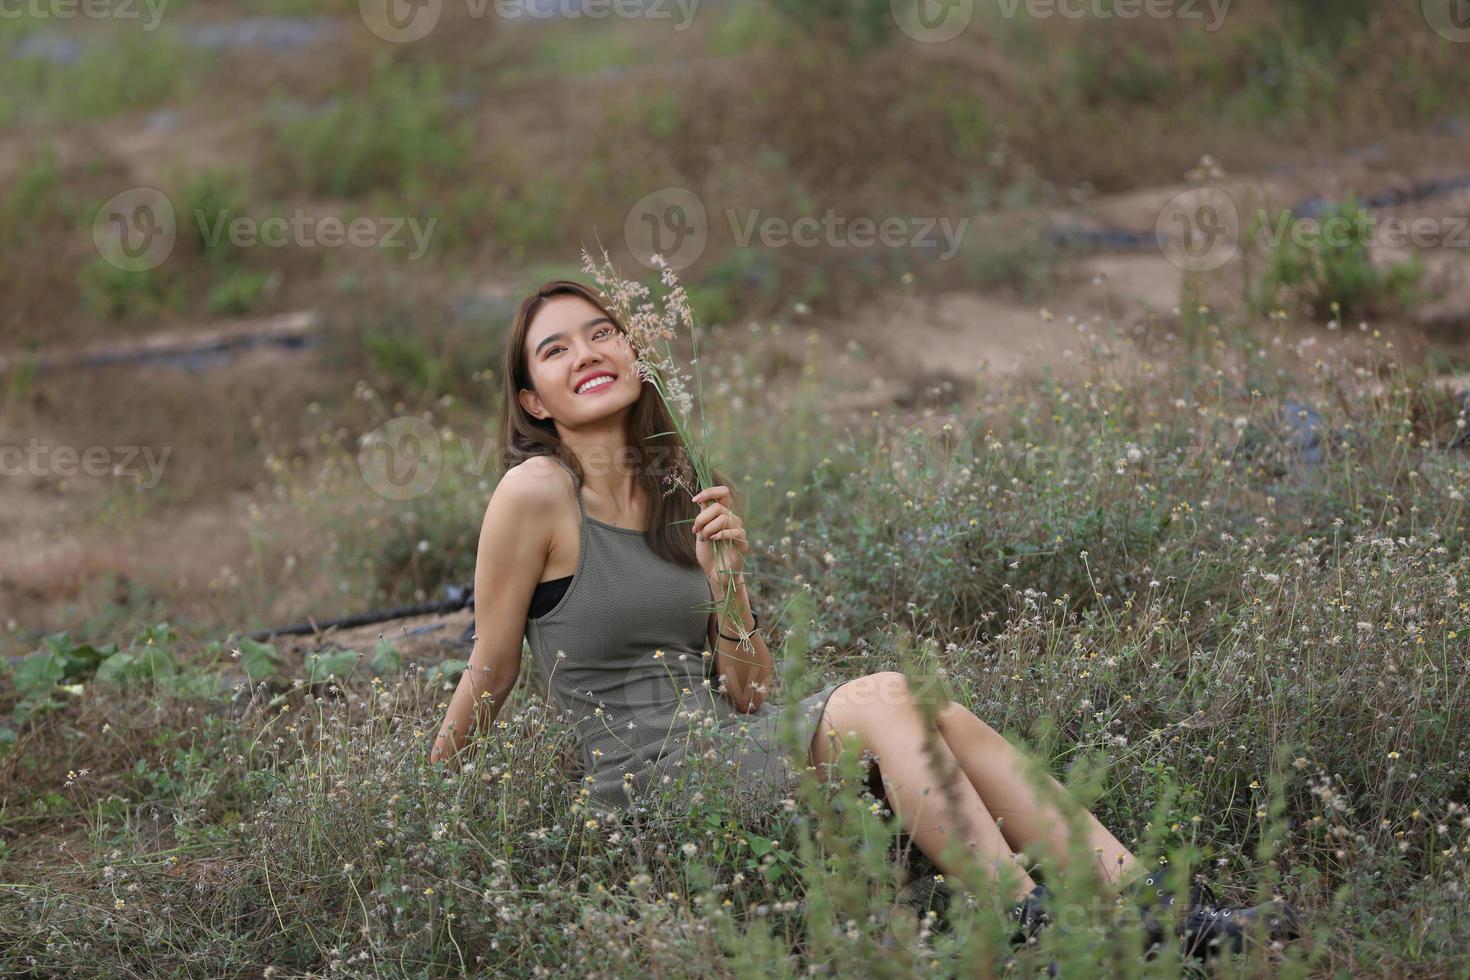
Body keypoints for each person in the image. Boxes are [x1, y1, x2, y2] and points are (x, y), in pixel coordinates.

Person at [429, 279, 1302, 958]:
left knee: (933, 706)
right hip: (652, 786)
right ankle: (1025, 921)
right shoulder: (536, 493)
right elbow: (493, 665)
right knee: (886, 694)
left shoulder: (677, 485)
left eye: (601, 332)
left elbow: (749, 692)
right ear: (534, 398)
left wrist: (727, 581)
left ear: (634, 352)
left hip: (730, 747)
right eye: (555, 349)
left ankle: (1169, 916)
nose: (586, 352)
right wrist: (433, 799)